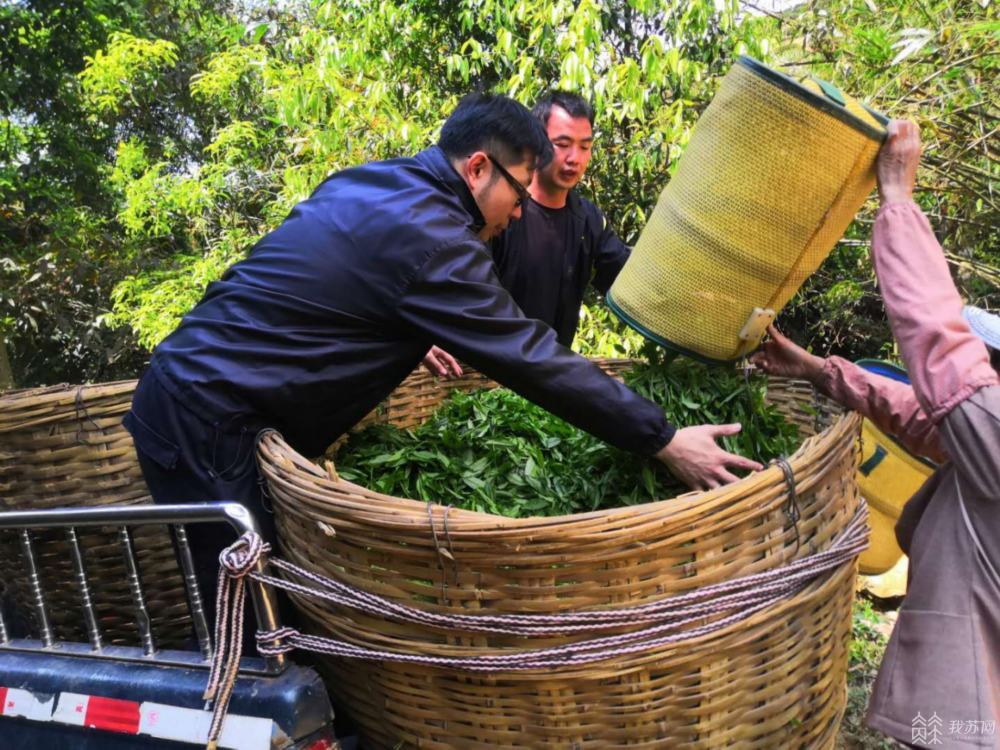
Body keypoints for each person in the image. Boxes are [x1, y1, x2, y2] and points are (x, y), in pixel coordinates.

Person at [124, 93, 761, 646]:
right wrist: (664, 438)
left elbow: (335, 291)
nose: (518, 212)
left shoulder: (372, 180)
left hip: (195, 386)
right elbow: (528, 357)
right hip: (204, 416)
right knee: (257, 608)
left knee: (261, 590)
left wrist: (401, 330)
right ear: (478, 167)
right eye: (517, 190)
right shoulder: (435, 240)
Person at [751, 121, 1000, 749]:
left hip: (973, 717)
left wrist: (897, 198)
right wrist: (812, 368)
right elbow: (916, 412)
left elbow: (940, 349)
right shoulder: (982, 446)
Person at [422, 90, 630, 379]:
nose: (574, 159)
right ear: (537, 146)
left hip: (544, 379)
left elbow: (627, 283)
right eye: (562, 144)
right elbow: (444, 286)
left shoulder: (587, 221)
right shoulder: (493, 212)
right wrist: (420, 334)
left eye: (585, 147)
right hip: (475, 377)